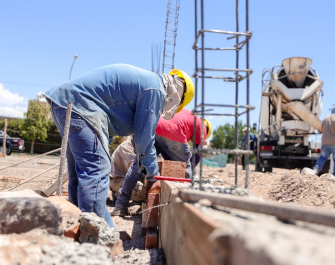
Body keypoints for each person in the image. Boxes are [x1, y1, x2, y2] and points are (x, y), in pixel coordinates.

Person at [44, 64, 194, 228]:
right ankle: (98, 236)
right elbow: (144, 140)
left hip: (65, 102)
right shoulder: (156, 90)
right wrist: (153, 176)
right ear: (178, 95)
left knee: (80, 175)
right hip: (81, 106)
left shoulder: (148, 83)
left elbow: (109, 117)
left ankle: (75, 227)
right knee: (96, 169)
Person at [154, 109, 212, 179]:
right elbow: (197, 155)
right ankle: (184, 186)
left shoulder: (189, 116)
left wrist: (171, 165)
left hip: (155, 127)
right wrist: (190, 168)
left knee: (145, 160)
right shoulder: (203, 127)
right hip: (173, 129)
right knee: (185, 170)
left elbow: (166, 151)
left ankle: (140, 180)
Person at [313, 105, 335, 180]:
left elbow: (322, 128)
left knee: (322, 157)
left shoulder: (325, 119)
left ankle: (315, 171)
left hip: (325, 142)